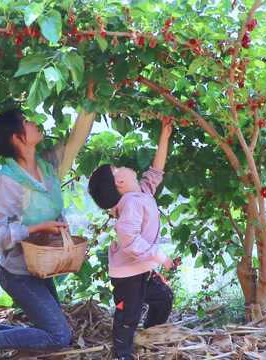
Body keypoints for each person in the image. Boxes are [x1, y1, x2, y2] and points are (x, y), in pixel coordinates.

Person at [0, 83, 96, 360]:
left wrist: (91, 97)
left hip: (41, 269)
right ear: (17, 137)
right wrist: (36, 228)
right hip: (17, 273)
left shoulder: (47, 167)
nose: (34, 123)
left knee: (52, 328)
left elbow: (76, 139)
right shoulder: (8, 182)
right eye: (26, 122)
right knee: (59, 336)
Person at [87, 117, 177, 360]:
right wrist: (159, 256)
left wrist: (164, 137)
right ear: (120, 182)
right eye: (116, 169)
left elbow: (156, 171)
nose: (122, 167)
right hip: (128, 275)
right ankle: (122, 353)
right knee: (128, 316)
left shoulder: (142, 193)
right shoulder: (129, 207)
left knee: (163, 297)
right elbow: (130, 242)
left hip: (142, 269)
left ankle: (150, 334)